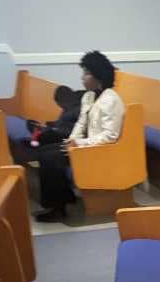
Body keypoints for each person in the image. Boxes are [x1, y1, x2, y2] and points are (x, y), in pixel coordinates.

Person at [35, 51, 124, 222]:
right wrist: (72, 139)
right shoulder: (89, 96)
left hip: (99, 150)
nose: (82, 78)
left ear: (98, 76)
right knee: (44, 152)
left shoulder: (111, 100)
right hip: (85, 145)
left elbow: (110, 136)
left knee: (51, 157)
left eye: (86, 73)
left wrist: (79, 143)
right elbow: (81, 123)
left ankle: (58, 207)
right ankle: (61, 200)